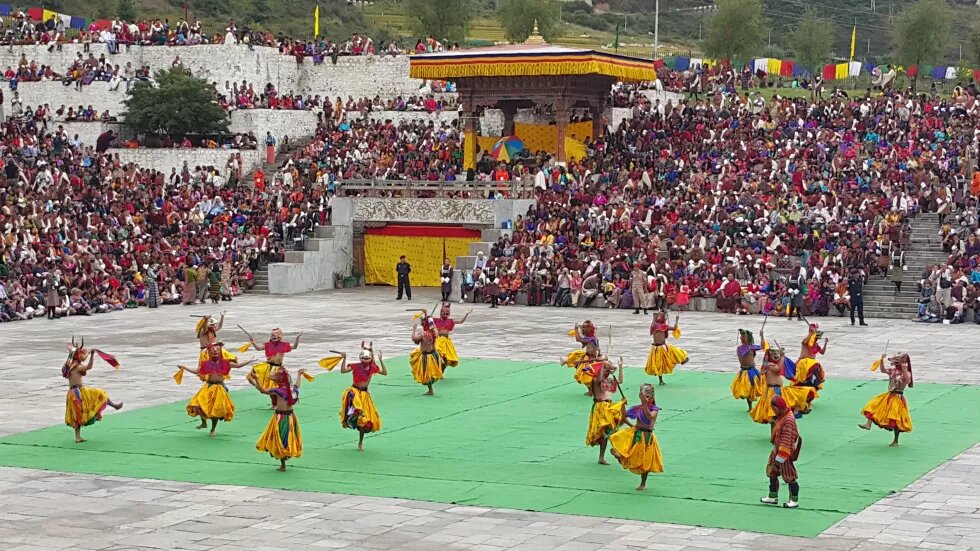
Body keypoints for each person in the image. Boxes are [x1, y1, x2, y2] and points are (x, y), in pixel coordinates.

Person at [175, 343, 254, 437]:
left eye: (217, 351)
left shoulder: (225, 363)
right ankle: (203, 422)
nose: (215, 353)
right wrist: (184, 367)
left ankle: (213, 429)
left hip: (219, 388)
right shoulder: (205, 363)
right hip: (208, 386)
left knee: (215, 411)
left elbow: (238, 365)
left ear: (220, 352)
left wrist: (250, 360)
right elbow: (196, 371)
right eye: (212, 352)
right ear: (209, 353)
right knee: (196, 404)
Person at [63, 338, 123, 443]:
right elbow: (89, 367)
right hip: (77, 393)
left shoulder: (67, 367)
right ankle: (114, 406)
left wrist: (70, 348)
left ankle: (78, 436)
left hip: (74, 392)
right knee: (96, 397)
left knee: (80, 412)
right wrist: (91, 356)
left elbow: (71, 354)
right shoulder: (78, 367)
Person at [252, 365, 308, 471]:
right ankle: (284, 457)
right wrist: (299, 375)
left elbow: (263, 391)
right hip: (290, 416)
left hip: (281, 417)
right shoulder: (292, 390)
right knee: (284, 437)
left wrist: (256, 380)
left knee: (281, 438)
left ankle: (283, 462)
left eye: (277, 375)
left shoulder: (278, 391)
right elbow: (297, 385)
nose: (274, 376)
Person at [609, 383, 663, 490]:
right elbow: (624, 417)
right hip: (636, 434)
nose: (646, 399)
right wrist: (623, 405)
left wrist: (645, 404)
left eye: (648, 397)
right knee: (624, 451)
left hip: (647, 436)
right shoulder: (637, 408)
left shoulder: (655, 409)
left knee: (645, 460)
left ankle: (643, 483)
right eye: (644, 397)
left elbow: (649, 416)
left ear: (651, 397)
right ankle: (621, 457)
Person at [339, 343, 388, 451]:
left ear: (370, 359)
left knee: (364, 421)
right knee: (358, 411)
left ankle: (360, 442)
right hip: (354, 392)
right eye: (364, 358)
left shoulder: (372, 368)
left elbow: (385, 373)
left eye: (367, 358)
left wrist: (381, 360)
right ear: (360, 359)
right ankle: (354, 415)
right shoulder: (355, 366)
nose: (365, 360)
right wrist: (344, 359)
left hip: (365, 395)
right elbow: (342, 371)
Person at [859, 353, 913, 447]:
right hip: (889, 395)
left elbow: (908, 381)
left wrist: (904, 370)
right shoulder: (893, 370)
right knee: (874, 405)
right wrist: (881, 360)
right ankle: (868, 424)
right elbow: (883, 370)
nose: (895, 365)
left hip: (898, 398)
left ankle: (895, 440)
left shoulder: (906, 372)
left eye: (897, 363)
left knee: (896, 419)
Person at [761, 395, 802, 509]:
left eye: (773, 407)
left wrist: (782, 455)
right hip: (777, 450)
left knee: (789, 476)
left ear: (777, 407)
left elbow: (787, 438)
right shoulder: (782, 416)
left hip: (785, 453)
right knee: (772, 471)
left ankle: (794, 500)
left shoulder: (788, 420)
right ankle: (772, 496)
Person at [586, 357, 626, 465]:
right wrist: (602, 365)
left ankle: (603, 456)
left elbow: (620, 381)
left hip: (609, 407)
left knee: (609, 433)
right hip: (600, 407)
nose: (608, 370)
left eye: (608, 368)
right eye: (605, 368)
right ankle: (614, 453)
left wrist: (621, 367)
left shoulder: (608, 380)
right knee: (607, 432)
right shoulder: (595, 380)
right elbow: (599, 380)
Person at [246, 328, 302, 404]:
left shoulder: (284, 345)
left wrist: (297, 338)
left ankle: (279, 402)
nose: (274, 337)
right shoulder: (268, 344)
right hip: (269, 367)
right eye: (272, 335)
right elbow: (258, 348)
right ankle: (272, 401)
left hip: (278, 368)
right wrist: (252, 341)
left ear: (280, 336)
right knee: (271, 386)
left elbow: (295, 346)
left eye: (276, 335)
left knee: (280, 386)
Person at [782, 324, 826, 415]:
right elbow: (805, 342)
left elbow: (822, 352)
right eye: (816, 336)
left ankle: (807, 399)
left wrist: (826, 343)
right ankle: (799, 401)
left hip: (811, 367)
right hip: (804, 365)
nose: (817, 338)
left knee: (813, 384)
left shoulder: (816, 345)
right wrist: (811, 332)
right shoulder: (806, 342)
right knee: (802, 380)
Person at [644, 311, 688, 385]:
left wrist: (677, 320)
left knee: (675, 351)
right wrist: (654, 318)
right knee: (659, 364)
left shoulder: (664, 326)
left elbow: (674, 328)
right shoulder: (655, 326)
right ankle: (660, 380)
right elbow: (652, 326)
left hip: (662, 347)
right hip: (656, 348)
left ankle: (682, 360)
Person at [750, 345, 790, 425]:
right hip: (774, 391)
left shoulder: (769, 364)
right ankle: (774, 435)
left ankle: (775, 434)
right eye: (774, 353)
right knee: (775, 414)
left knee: (776, 415)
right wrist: (782, 356)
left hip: (774, 389)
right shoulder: (770, 365)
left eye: (777, 353)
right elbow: (778, 369)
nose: (776, 355)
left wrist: (781, 356)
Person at [410, 312, 444, 395]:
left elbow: (413, 338)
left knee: (426, 373)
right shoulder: (435, 332)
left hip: (427, 356)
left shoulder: (423, 334)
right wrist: (430, 319)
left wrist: (414, 329)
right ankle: (431, 389)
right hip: (434, 354)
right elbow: (434, 327)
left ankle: (430, 390)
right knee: (429, 373)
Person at [732, 329, 765, 412]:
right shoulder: (739, 348)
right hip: (743, 371)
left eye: (743, 336)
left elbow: (762, 346)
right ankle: (750, 406)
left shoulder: (751, 347)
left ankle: (754, 406)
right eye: (741, 336)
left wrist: (762, 336)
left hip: (751, 371)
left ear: (747, 338)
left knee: (752, 389)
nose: (741, 337)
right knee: (746, 390)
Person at [433, 303, 471, 370]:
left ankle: (441, 370)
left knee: (445, 358)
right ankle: (437, 364)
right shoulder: (436, 320)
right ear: (441, 313)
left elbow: (461, 321)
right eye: (443, 313)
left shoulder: (451, 321)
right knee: (438, 352)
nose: (445, 315)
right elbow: (425, 322)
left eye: (447, 313)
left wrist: (467, 314)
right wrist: (425, 315)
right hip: (438, 339)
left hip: (446, 340)